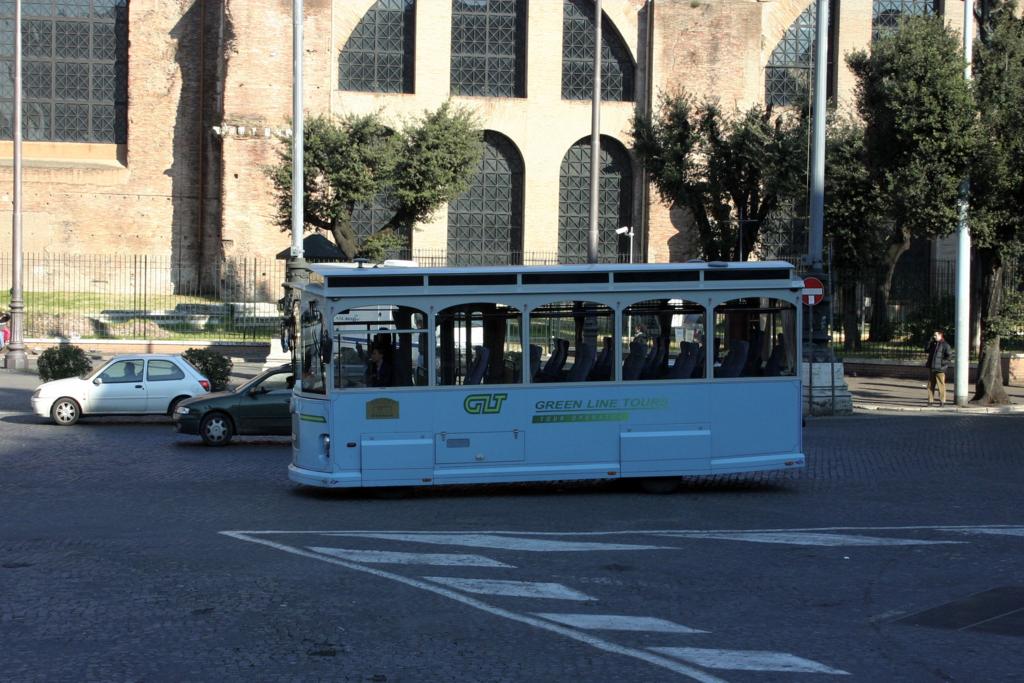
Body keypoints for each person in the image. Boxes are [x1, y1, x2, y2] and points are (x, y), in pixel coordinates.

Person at [924, 330, 953, 407]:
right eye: (934, 335)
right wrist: (928, 342)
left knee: (941, 386)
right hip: (932, 368)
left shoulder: (945, 345)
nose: (934, 337)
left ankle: (942, 401)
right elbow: (926, 350)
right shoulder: (933, 344)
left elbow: (949, 356)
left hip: (940, 369)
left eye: (935, 335)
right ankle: (930, 401)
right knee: (930, 385)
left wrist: (942, 363)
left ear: (940, 336)